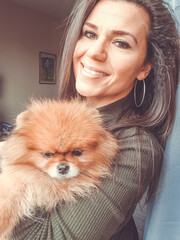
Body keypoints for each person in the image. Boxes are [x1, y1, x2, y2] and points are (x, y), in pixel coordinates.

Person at [8, 0, 180, 239]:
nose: (95, 52)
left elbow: (46, 235)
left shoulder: (138, 146)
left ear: (144, 67)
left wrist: (16, 172)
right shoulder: (61, 115)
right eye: (90, 33)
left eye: (121, 42)